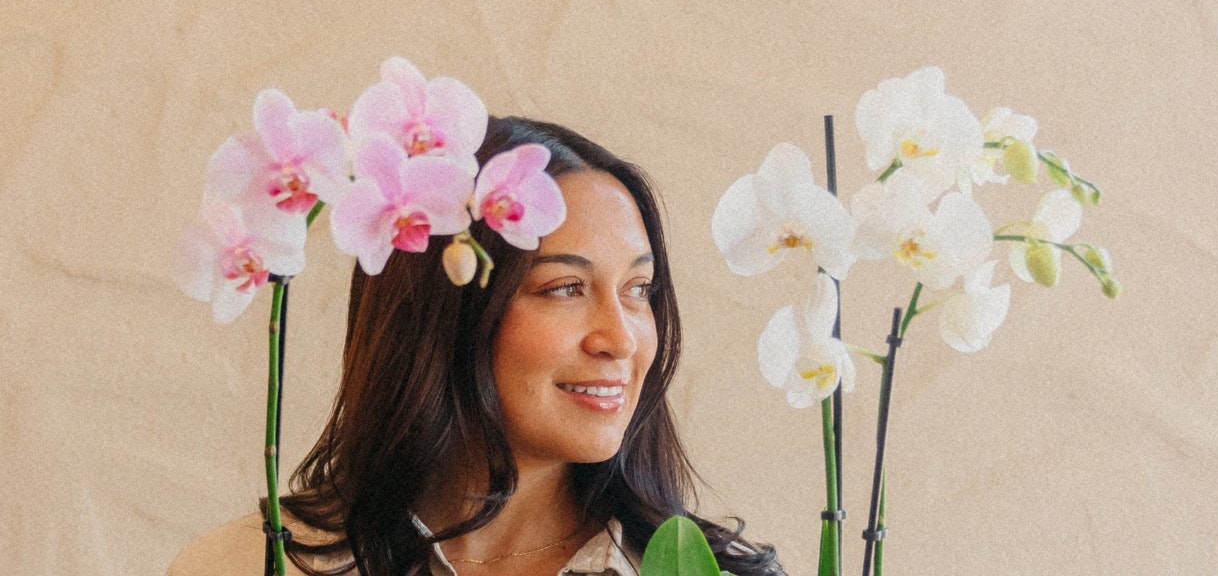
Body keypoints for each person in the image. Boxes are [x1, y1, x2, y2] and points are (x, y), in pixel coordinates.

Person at [167, 116, 784, 576]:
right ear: (444, 312)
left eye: (639, 289)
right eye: (565, 288)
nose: (620, 338)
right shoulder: (251, 563)